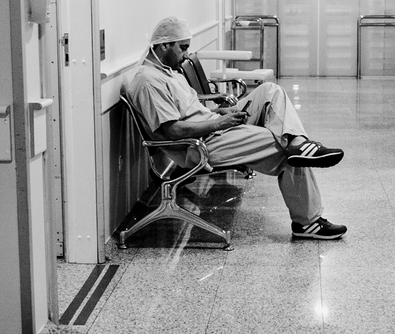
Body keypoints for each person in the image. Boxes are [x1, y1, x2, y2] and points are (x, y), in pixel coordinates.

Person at [123, 16, 347, 240]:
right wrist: (218, 123)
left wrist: (219, 113)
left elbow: (190, 110)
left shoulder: (168, 71)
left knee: (270, 91)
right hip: (200, 146)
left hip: (213, 128)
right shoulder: (149, 82)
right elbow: (171, 132)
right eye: (183, 48)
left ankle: (299, 143)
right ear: (164, 46)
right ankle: (307, 221)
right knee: (281, 145)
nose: (186, 55)